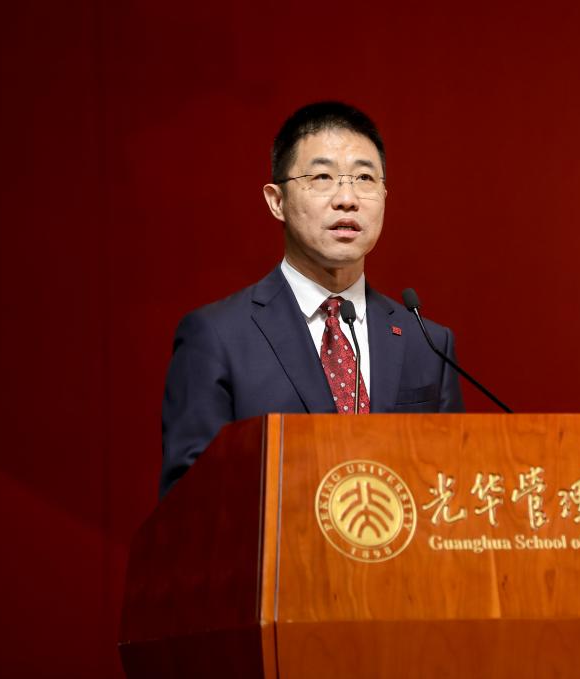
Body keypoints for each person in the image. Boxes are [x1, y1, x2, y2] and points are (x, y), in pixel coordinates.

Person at [159, 102, 464, 497]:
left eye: (364, 178)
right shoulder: (217, 338)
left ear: (385, 195)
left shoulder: (427, 343)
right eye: (322, 177)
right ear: (277, 201)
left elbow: (449, 488)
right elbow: (189, 502)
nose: (347, 199)